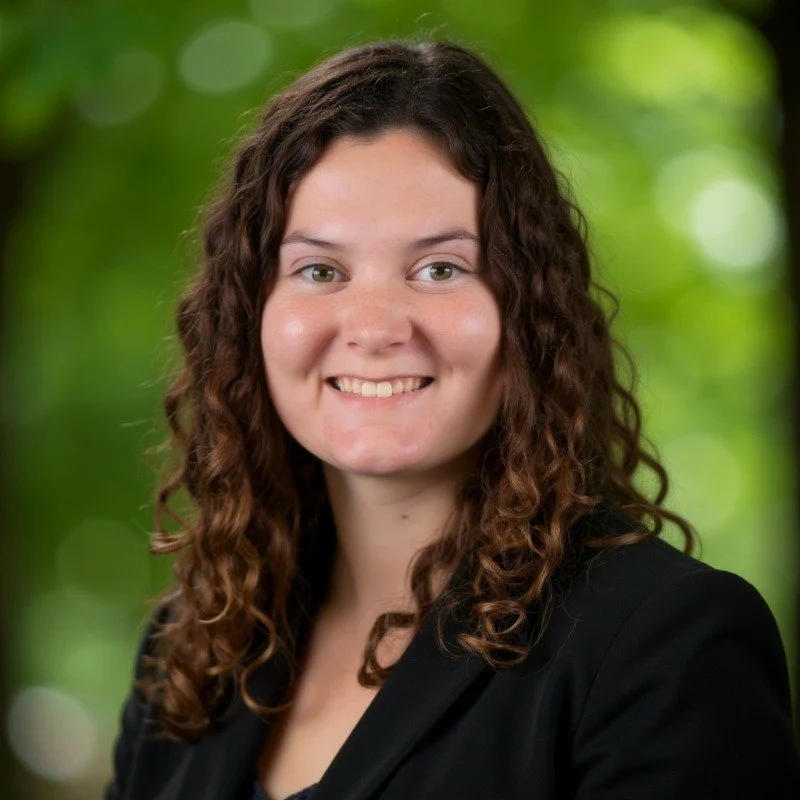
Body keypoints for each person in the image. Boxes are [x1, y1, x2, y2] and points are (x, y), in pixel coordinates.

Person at [105, 38, 800, 800]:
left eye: (440, 268)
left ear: (529, 312)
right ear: (250, 319)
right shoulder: (191, 655)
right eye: (320, 270)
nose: (374, 326)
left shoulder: (665, 644)